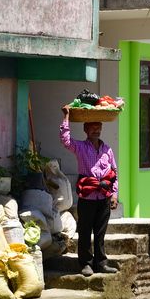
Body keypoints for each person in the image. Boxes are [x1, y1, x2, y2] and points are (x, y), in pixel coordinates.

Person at [60, 107, 119, 276]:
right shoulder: (80, 147)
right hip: (87, 196)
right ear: (86, 129)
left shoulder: (107, 150)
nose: (96, 130)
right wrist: (66, 117)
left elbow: (114, 173)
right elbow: (65, 140)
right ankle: (85, 263)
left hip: (104, 197)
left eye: (99, 126)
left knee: (100, 232)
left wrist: (114, 193)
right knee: (85, 231)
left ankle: (101, 262)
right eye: (93, 127)